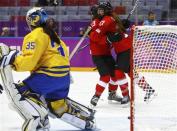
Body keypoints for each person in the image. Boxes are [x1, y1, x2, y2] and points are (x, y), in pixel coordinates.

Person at [0, 7, 96, 130]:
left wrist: (12, 60)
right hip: (64, 78)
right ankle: (85, 122)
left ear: (32, 20)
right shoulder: (53, 34)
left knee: (20, 93)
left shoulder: (35, 35)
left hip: (49, 77)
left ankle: (40, 121)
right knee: (57, 107)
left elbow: (28, 62)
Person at [89, 3, 130, 107]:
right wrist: (107, 39)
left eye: (101, 10)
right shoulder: (97, 22)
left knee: (115, 74)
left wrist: (121, 26)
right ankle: (96, 97)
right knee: (106, 77)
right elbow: (95, 37)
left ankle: (112, 95)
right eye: (97, 11)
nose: (99, 12)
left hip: (107, 53)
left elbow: (111, 30)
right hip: (98, 55)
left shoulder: (105, 20)